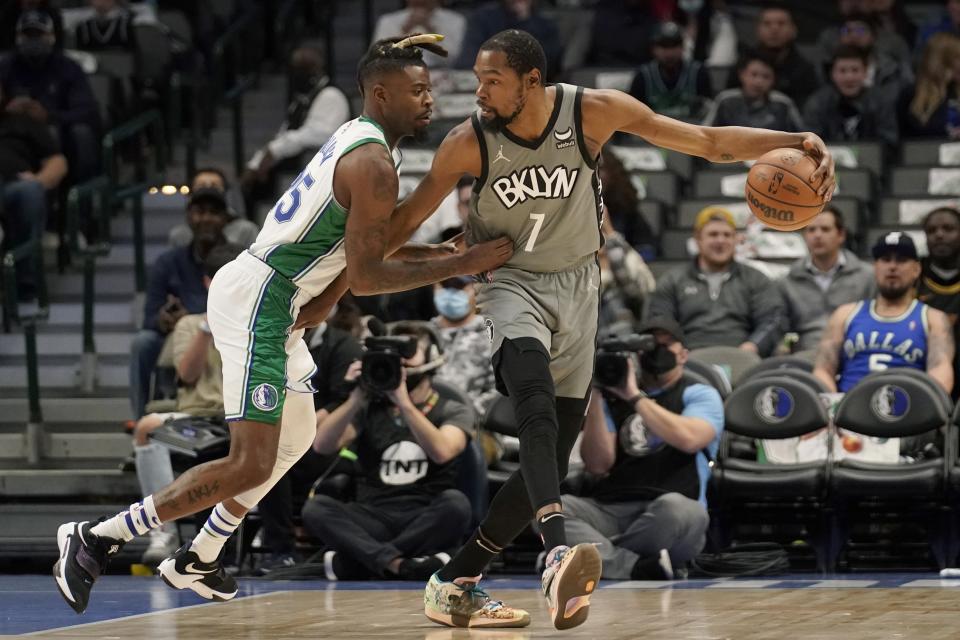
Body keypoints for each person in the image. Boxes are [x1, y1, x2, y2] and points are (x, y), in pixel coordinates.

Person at [387, 28, 834, 630]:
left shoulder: (593, 111)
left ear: (533, 82)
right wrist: (420, 264)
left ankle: (455, 581)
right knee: (535, 407)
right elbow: (398, 227)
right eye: (477, 80)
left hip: (578, 288)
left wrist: (795, 141)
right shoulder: (468, 143)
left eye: (493, 80)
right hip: (510, 282)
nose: (480, 91)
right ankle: (556, 552)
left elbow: (705, 142)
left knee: (549, 448)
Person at [53, 34, 513, 615]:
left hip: (279, 298)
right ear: (379, 93)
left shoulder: (364, 140)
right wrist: (461, 263)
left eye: (429, 89)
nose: (429, 100)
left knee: (292, 442)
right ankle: (98, 536)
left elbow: (363, 250)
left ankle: (201, 554)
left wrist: (437, 253)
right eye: (417, 90)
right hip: (261, 302)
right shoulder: (372, 162)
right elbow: (369, 275)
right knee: (250, 459)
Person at [304, 322, 474, 580]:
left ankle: (361, 562)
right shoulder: (368, 407)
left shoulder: (453, 409)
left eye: (408, 356)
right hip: (373, 515)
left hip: (424, 513)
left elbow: (443, 451)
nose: (401, 364)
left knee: (457, 505)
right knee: (316, 508)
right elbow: (322, 445)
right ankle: (402, 565)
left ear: (432, 359)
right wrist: (355, 397)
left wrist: (404, 403)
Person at [565, 316, 723, 580]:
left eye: (665, 346)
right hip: (612, 508)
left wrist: (633, 396)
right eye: (648, 346)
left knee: (682, 510)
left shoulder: (699, 394)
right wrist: (594, 395)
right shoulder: (611, 396)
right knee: (554, 508)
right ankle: (634, 566)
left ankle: (589, 558)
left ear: (683, 355)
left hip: (670, 513)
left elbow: (690, 439)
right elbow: (598, 464)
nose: (654, 353)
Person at [132, 243, 243, 565]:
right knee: (146, 427)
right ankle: (162, 532)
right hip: (197, 420)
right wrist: (208, 327)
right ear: (209, 283)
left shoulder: (257, 322)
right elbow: (187, 374)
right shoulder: (189, 324)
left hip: (240, 419)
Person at [255, 305, 363, 570]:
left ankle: (282, 550)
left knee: (276, 465)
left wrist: (299, 428)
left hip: (330, 441)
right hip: (283, 435)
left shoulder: (343, 346)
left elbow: (342, 401)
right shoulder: (273, 346)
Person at [128, 187, 231, 420]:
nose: (205, 218)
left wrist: (190, 314)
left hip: (228, 328)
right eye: (199, 212)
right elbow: (150, 316)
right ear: (188, 217)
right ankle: (139, 420)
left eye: (213, 212)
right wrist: (164, 319)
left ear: (225, 219)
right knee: (142, 342)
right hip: (179, 333)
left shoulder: (237, 256)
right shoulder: (168, 262)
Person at [813, 232, 954, 394]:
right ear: (875, 267)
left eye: (901, 260)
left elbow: (940, 372)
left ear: (916, 269)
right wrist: (834, 407)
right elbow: (823, 370)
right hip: (849, 410)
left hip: (909, 410)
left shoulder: (932, 319)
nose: (892, 266)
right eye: (885, 259)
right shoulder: (845, 314)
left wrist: (921, 410)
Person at [648, 207, 785, 356]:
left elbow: (773, 320)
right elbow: (660, 321)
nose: (721, 240)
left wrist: (753, 346)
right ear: (698, 240)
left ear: (736, 240)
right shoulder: (672, 280)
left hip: (743, 357)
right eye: (713, 235)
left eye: (727, 235)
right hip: (688, 359)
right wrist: (676, 350)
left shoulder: (756, 279)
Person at [241, 47, 351, 214]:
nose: (298, 74)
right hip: (292, 174)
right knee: (249, 186)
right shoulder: (300, 102)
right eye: (295, 69)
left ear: (317, 69)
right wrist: (255, 165)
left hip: (324, 175)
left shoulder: (331, 95)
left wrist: (274, 150)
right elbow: (282, 137)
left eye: (303, 68)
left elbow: (318, 134)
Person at [0, 11, 100, 187]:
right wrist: (6, 109)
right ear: (17, 37)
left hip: (58, 131)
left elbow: (86, 110)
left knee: (81, 134)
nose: (33, 39)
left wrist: (50, 116)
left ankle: (80, 198)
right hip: (15, 131)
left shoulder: (68, 68)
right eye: (27, 34)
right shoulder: (6, 66)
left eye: (39, 34)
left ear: (51, 36)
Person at [0, 80, 68, 301]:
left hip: (13, 187)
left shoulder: (22, 122)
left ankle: (26, 280)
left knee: (29, 192)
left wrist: (38, 180)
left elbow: (57, 162)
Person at [780, 207, 875, 353]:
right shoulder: (787, 281)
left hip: (854, 352)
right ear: (804, 236)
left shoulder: (868, 276)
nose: (817, 235)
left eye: (825, 229)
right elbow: (780, 328)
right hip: (806, 354)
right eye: (811, 230)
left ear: (841, 235)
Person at [802, 45, 899, 149]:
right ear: (832, 74)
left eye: (855, 70)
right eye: (842, 71)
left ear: (865, 72)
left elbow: (890, 141)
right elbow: (810, 143)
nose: (849, 77)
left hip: (872, 163)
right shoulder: (817, 103)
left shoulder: (880, 101)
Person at [431, 276, 499, 417]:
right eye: (445, 286)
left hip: (477, 428)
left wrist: (461, 417)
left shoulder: (493, 336)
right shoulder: (423, 334)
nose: (451, 293)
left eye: (458, 287)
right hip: (421, 424)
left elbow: (502, 391)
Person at [455, 1, 563, 80]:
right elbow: (467, 60)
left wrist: (524, 20)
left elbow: (548, 66)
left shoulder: (547, 27)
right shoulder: (482, 18)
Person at [628, 21, 713, 122]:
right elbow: (633, 114)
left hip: (690, 130)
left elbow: (708, 110)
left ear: (682, 47)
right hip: (653, 132)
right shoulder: (643, 75)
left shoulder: (698, 72)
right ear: (654, 49)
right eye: (664, 46)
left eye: (674, 46)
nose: (669, 53)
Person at [916, 207, 960, 399]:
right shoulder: (913, 276)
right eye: (932, 231)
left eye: (948, 229)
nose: (939, 235)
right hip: (923, 372)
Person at [702, 49, 804, 131]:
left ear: (773, 80)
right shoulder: (725, 100)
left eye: (766, 76)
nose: (758, 81)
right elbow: (705, 133)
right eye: (754, 74)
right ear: (742, 75)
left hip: (772, 155)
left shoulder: (783, 104)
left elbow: (801, 137)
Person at [169, 168, 260, 249]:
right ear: (191, 193)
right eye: (201, 186)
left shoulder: (246, 230)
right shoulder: (179, 235)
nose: (208, 189)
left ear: (225, 192)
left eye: (215, 186)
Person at [752, 3, 820, 105]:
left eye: (781, 23)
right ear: (758, 30)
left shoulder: (805, 70)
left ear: (794, 30)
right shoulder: (743, 65)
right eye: (767, 24)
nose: (774, 29)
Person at [897, 33, 960, 140]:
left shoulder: (955, 91)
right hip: (922, 154)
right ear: (942, 62)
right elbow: (905, 138)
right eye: (958, 58)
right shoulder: (911, 95)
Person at [372, 0, 466, 67]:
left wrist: (431, 31)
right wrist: (405, 30)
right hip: (398, 73)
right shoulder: (388, 20)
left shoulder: (455, 20)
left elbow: (454, 58)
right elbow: (379, 57)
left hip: (441, 74)